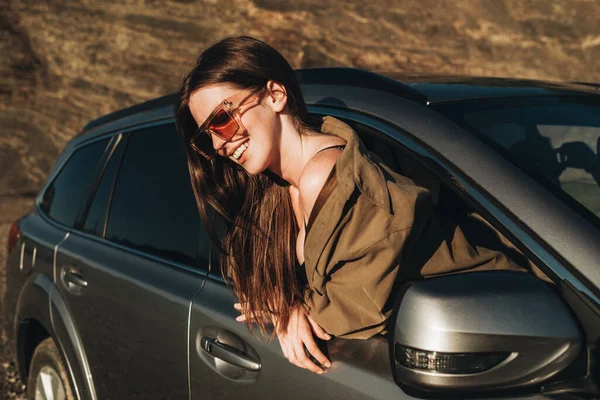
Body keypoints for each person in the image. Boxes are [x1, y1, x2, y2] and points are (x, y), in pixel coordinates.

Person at [175, 36, 539, 375]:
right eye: (207, 137)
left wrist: (289, 308)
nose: (219, 144)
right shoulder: (276, 188)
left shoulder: (332, 177)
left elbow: (354, 309)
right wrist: (285, 305)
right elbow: (249, 271)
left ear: (274, 94)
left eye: (221, 120)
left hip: (514, 334)